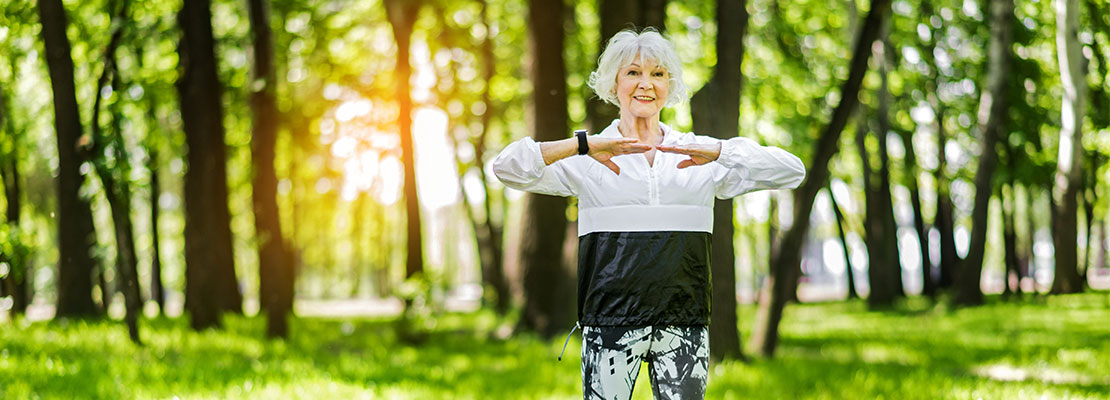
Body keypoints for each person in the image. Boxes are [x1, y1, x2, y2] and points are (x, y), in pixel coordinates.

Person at [492, 27, 806, 400]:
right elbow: (505, 167)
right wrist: (581, 144)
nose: (646, 84)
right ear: (613, 83)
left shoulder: (697, 153)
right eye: (633, 72)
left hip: (684, 326)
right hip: (608, 326)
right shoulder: (588, 158)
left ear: (669, 85)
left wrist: (721, 150)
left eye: (658, 74)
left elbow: (792, 171)